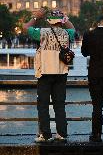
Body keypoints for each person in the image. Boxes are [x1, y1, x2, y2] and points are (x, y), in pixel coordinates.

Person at [23, 8, 76, 143]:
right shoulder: (66, 33)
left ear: (49, 21)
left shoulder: (43, 32)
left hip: (45, 72)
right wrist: (66, 17)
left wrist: (36, 17)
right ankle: (62, 134)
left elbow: (25, 28)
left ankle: (46, 135)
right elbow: (73, 29)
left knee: (43, 105)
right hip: (61, 73)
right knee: (59, 105)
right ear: (60, 21)